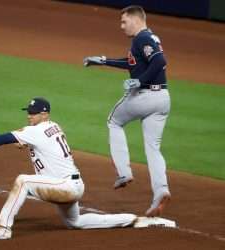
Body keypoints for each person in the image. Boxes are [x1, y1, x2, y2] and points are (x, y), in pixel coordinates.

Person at [0, 97, 166, 240]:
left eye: (34, 112)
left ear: (44, 114)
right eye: (28, 112)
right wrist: (27, 143)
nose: (30, 115)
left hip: (66, 186)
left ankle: (2, 229)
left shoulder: (35, 131)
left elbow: (3, 139)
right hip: (70, 184)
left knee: (23, 180)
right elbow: (38, 142)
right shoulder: (52, 127)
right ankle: (131, 219)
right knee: (74, 222)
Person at [83, 5, 171, 217]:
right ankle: (161, 191)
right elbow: (132, 63)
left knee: (114, 121)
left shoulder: (141, 38)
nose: (121, 26)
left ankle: (123, 172)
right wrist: (104, 61)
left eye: (124, 22)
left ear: (136, 19)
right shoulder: (146, 39)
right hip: (163, 99)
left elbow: (160, 61)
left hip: (145, 96)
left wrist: (140, 81)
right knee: (153, 148)